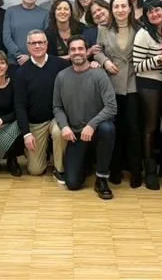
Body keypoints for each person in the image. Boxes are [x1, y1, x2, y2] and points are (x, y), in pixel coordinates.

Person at [54, 36, 117, 199]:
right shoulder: (61, 76)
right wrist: (64, 126)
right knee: (72, 183)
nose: (77, 52)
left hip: (97, 132)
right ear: (69, 53)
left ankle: (102, 179)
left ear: (87, 51)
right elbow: (57, 107)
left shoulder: (99, 75)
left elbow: (111, 107)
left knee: (107, 128)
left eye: (80, 48)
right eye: (73, 49)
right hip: (76, 134)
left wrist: (92, 124)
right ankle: (87, 162)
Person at [94, 0, 141, 187]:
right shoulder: (103, 29)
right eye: (116, 6)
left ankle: (136, 171)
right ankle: (115, 170)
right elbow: (97, 51)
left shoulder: (139, 29)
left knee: (133, 129)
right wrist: (105, 62)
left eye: (124, 6)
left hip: (133, 84)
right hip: (111, 84)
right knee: (115, 129)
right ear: (111, 10)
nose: (120, 10)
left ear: (130, 8)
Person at [15, 30, 71, 181]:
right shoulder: (21, 72)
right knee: (35, 170)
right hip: (36, 123)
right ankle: (41, 152)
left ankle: (60, 169)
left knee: (59, 131)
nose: (37, 46)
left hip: (56, 118)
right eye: (33, 43)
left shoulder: (61, 65)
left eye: (41, 42)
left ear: (46, 44)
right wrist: (26, 134)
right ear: (28, 46)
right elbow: (19, 105)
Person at [132, 0, 162, 190]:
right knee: (151, 126)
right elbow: (137, 66)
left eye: (157, 10)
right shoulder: (143, 34)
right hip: (149, 83)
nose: (154, 14)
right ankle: (150, 172)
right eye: (150, 12)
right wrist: (160, 58)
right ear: (146, 16)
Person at [3, 0, 48, 77]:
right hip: (14, 63)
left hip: (37, 62)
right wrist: (19, 55)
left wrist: (30, 56)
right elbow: (6, 37)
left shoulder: (44, 14)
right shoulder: (10, 11)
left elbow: (46, 39)